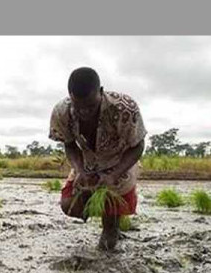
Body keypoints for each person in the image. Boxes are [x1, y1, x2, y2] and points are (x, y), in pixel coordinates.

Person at [49, 67, 147, 251]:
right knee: (70, 206)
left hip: (120, 162)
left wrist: (114, 175)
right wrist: (79, 170)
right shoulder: (62, 112)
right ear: (70, 96)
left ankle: (112, 229)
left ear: (101, 92)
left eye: (91, 106)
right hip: (88, 162)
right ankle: (95, 204)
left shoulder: (124, 108)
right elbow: (69, 144)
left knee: (108, 236)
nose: (85, 112)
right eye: (79, 107)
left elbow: (138, 146)